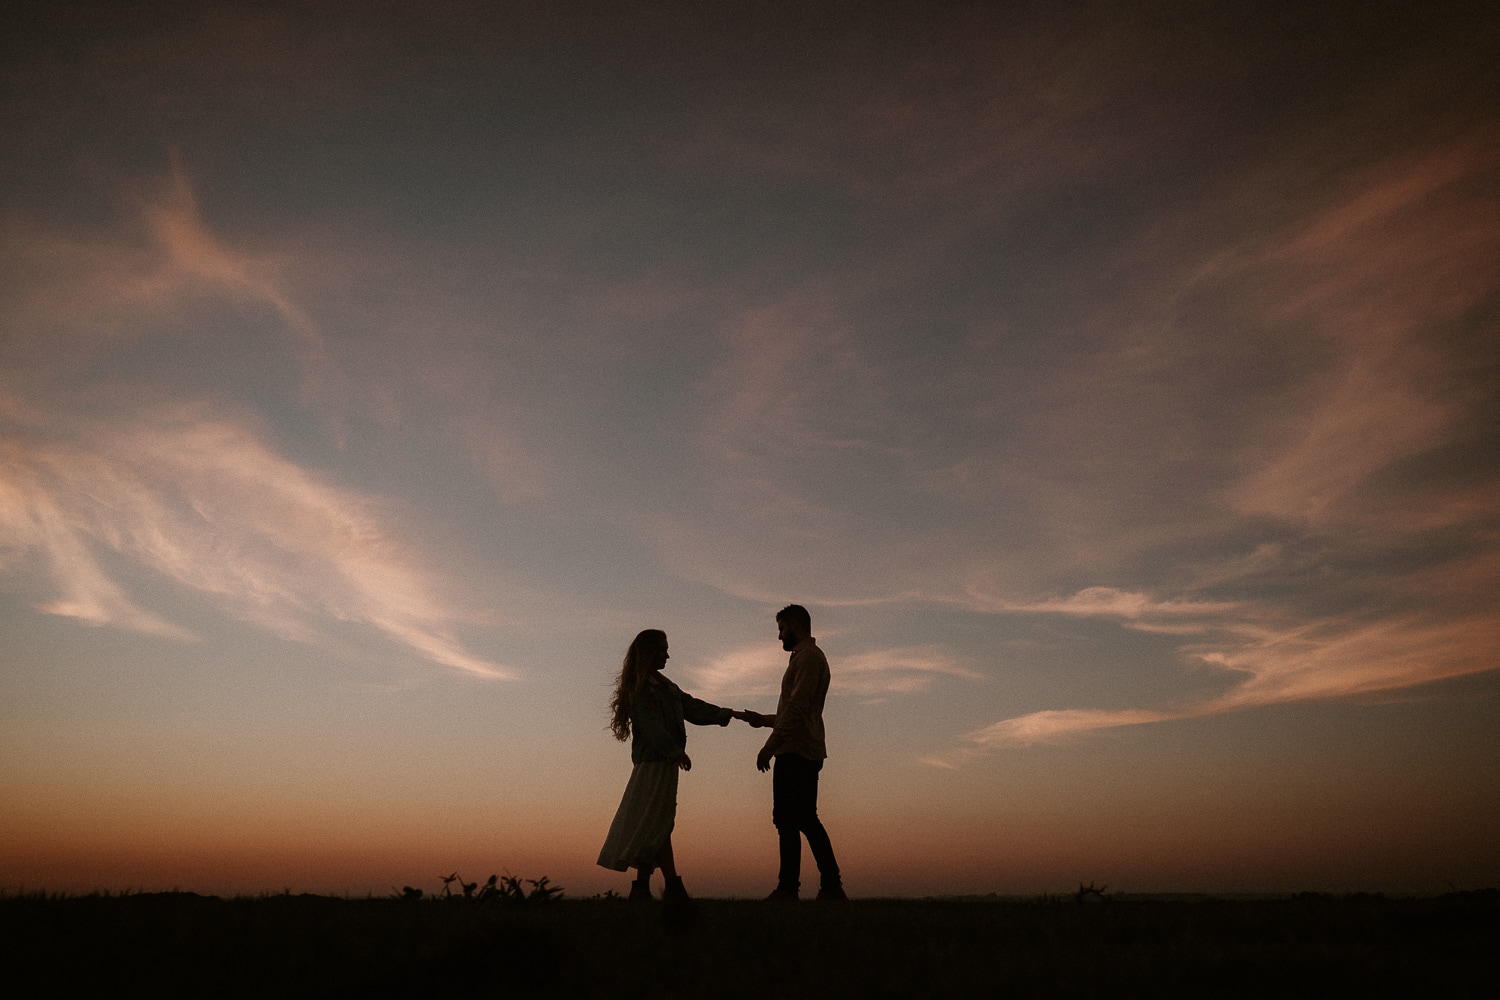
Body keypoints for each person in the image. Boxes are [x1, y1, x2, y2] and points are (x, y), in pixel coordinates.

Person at [597, 628, 747, 902]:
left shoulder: (667, 687)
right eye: (663, 649)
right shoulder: (641, 689)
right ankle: (671, 886)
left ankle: (643, 888)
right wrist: (675, 751)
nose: (668, 654)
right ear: (650, 653)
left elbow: (693, 707)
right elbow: (649, 725)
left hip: (664, 763)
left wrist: (729, 714)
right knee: (659, 822)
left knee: (656, 822)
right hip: (652, 764)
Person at [741, 604, 846, 901]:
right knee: (799, 819)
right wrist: (764, 720)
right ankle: (825, 886)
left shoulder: (810, 659)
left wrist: (770, 746)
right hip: (800, 747)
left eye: (782, 629)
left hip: (797, 751)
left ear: (797, 626)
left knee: (793, 820)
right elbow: (796, 710)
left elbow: (799, 709)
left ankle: (798, 887)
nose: (779, 636)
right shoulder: (805, 659)